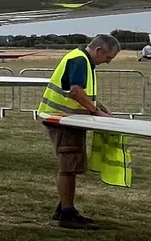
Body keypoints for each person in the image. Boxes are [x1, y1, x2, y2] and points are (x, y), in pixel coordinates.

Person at [39, 33, 120, 228]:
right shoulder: (79, 60)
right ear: (99, 50)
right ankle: (67, 213)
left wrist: (99, 107)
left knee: (70, 165)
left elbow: (81, 93)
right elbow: (75, 91)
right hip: (63, 120)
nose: (108, 62)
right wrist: (96, 112)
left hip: (66, 119)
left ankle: (64, 207)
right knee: (69, 166)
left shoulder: (81, 59)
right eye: (108, 58)